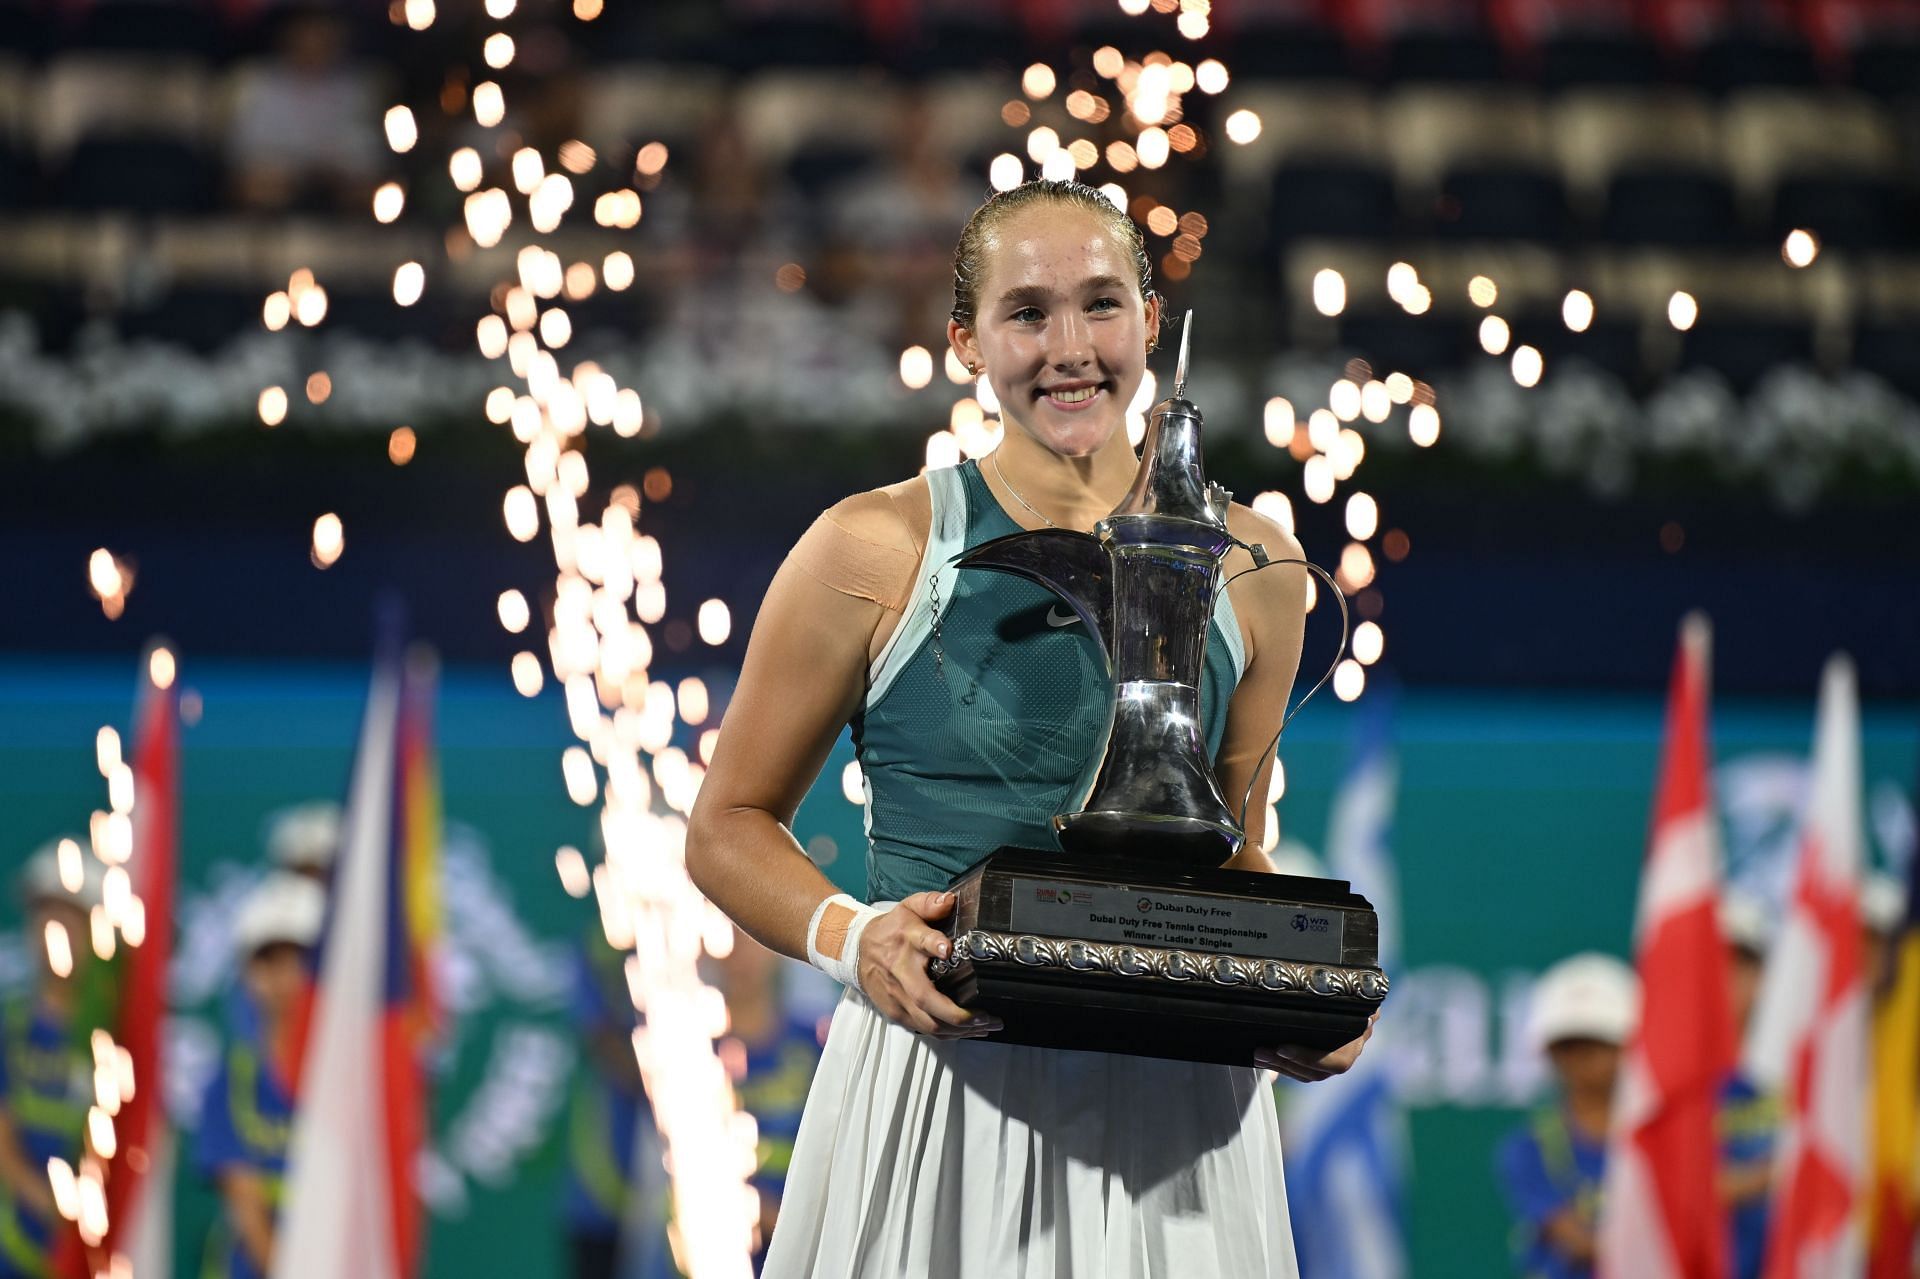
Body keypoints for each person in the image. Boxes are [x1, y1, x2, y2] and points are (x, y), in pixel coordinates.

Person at [685, 178, 1372, 1277]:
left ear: (1152, 319)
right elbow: (724, 825)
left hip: (1181, 1117)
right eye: (1027, 313)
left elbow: (1231, 845)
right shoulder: (869, 551)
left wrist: (1295, 993)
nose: (1072, 348)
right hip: (939, 1093)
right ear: (966, 340)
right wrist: (855, 940)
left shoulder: (1259, 567)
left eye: (1102, 305)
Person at [195, 873, 326, 1279]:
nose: (284, 977)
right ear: (249, 973)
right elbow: (248, 1213)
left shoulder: (350, 1082)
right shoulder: (231, 1081)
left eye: (300, 959)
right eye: (268, 959)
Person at [1496, 952, 1638, 1279]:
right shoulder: (1528, 1148)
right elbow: (1578, 1241)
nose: (1581, 1059)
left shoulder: (1660, 1140)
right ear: (1549, 1051)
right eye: (1568, 1045)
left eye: (1598, 1043)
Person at [0, 840, 105, 1279]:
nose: (55, 931)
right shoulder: (8, 1025)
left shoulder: (118, 1030)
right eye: (45, 915)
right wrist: (54, 1206)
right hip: (15, 1252)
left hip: (103, 1249)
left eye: (69, 918)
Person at [708, 927, 822, 1269]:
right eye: (729, 937)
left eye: (753, 935)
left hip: (809, 1249)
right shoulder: (693, 1054)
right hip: (717, 1252)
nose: (742, 954)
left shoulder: (818, 1044)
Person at [1717, 893, 1776, 1279]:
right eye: (1709, 962)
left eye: (1742, 963)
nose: (1724, 978)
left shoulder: (1803, 1069)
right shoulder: (1652, 1084)